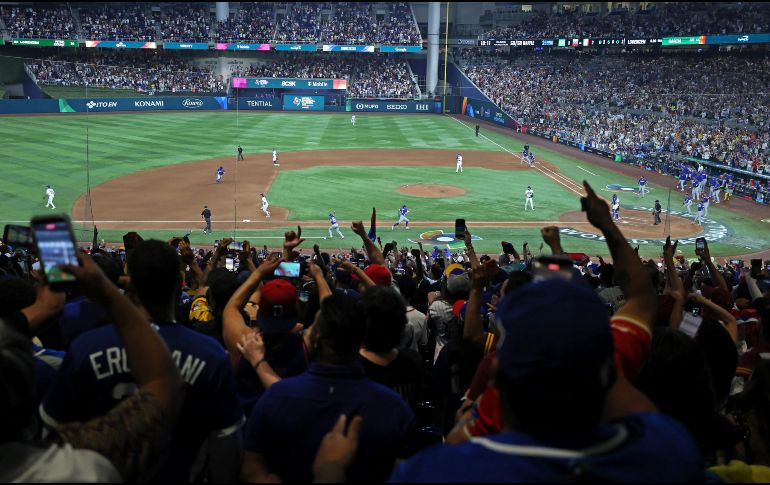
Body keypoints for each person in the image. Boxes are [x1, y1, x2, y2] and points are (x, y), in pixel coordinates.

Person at [40, 241, 244, 482]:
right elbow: (225, 448)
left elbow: (51, 435)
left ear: (129, 286)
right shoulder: (210, 355)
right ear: (179, 286)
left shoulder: (84, 348)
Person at [0, 251, 184, 483]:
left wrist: (43, 310)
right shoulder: (81, 467)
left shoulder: (77, 345)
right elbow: (164, 383)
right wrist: (107, 291)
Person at [239, 293, 416, 483]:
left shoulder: (276, 397)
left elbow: (251, 471)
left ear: (315, 340)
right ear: (360, 341)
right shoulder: (395, 408)